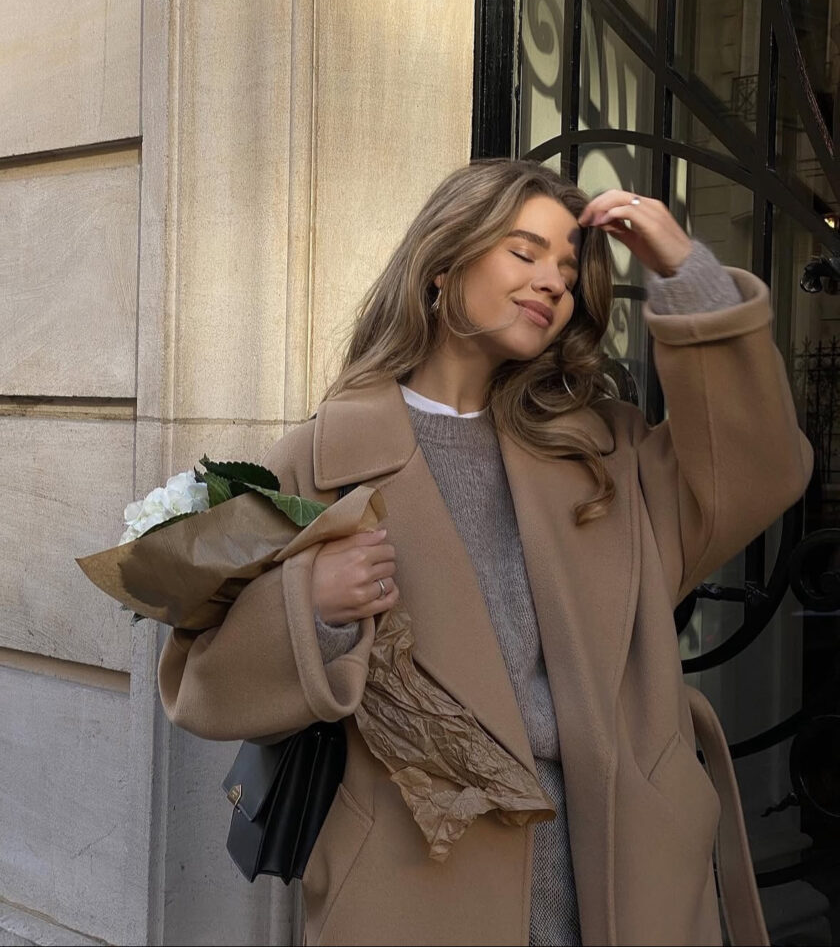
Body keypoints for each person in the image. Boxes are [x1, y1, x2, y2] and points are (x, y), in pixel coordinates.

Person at [158, 158, 813, 947]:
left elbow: (757, 471)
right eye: (524, 251)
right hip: (420, 879)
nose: (553, 282)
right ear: (443, 265)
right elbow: (204, 689)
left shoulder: (603, 451)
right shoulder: (321, 458)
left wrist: (688, 273)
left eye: (569, 269)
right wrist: (311, 606)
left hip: (624, 864)